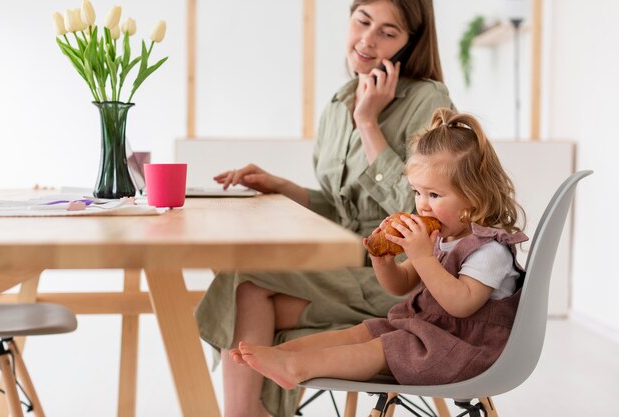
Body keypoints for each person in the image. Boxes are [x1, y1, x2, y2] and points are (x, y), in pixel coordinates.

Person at [195, 1, 454, 416]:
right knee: (247, 297)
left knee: (243, 285)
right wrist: (283, 186)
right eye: (363, 21)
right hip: (343, 266)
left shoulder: (428, 100)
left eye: (388, 33)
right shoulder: (339, 103)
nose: (368, 40)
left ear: (411, 44)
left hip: (398, 276)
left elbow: (421, 214)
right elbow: (342, 209)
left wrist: (369, 124)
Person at [231, 108, 528, 391]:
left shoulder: (490, 250)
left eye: (434, 194)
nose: (422, 204)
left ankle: (297, 367)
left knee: (384, 347)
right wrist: (383, 262)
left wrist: (422, 256)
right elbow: (401, 285)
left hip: (464, 350)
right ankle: (280, 354)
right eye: (417, 192)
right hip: (427, 333)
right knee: (364, 331)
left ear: (474, 198)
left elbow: (460, 304)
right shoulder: (440, 239)